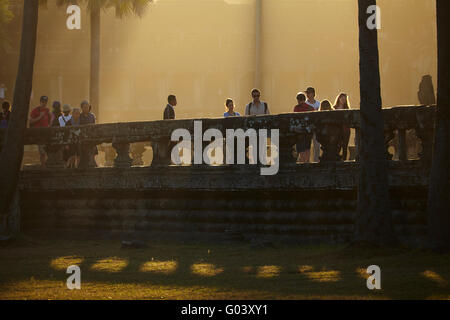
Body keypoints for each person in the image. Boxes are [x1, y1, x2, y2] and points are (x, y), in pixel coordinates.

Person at [29, 96, 51, 168]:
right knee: (42, 151)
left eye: (45, 102)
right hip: (39, 133)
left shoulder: (47, 111)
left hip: (46, 133)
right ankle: (43, 165)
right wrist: (40, 117)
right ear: (40, 102)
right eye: (43, 102)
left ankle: (44, 165)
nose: (44, 103)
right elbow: (31, 121)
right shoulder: (35, 110)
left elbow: (49, 121)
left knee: (46, 150)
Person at [294, 92, 315, 163]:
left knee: (301, 150)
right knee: (307, 148)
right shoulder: (311, 108)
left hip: (299, 132)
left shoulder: (296, 108)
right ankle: (307, 162)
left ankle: (302, 163)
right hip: (308, 132)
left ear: (298, 100)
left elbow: (295, 120)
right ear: (305, 99)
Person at [79, 100, 98, 167]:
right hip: (83, 137)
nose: (86, 108)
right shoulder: (80, 116)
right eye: (85, 107)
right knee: (83, 153)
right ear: (82, 108)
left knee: (92, 152)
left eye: (87, 107)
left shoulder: (92, 116)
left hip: (91, 136)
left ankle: (92, 164)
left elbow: (94, 126)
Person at [333, 93, 351, 161]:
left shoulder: (347, 109)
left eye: (345, 99)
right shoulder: (334, 108)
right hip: (336, 130)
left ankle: (344, 160)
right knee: (337, 146)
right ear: (339, 99)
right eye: (342, 99)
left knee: (345, 146)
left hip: (345, 130)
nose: (343, 100)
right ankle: (337, 160)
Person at [305, 87, 321, 162]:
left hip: (317, 128)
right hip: (307, 129)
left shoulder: (318, 103)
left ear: (313, 94)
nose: (307, 94)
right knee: (306, 148)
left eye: (309, 93)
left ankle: (316, 162)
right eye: (307, 93)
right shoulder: (305, 104)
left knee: (317, 147)